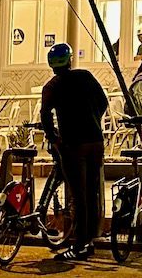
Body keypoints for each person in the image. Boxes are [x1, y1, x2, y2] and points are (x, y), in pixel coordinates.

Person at [40, 42, 109, 261]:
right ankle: (90, 240)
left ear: (51, 64)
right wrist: (92, 120)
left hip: (72, 145)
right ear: (70, 60)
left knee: (79, 195)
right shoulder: (86, 76)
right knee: (91, 192)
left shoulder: (52, 86)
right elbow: (103, 102)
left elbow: (45, 115)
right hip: (95, 141)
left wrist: (54, 138)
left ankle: (80, 244)